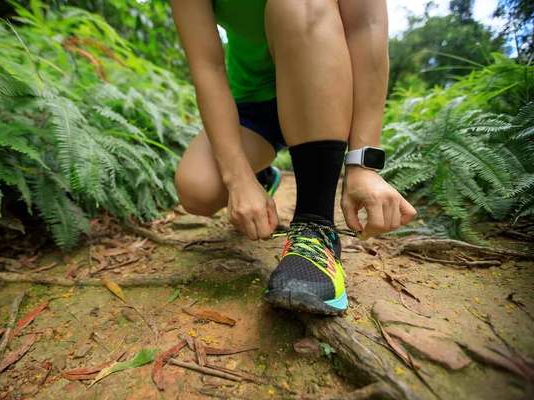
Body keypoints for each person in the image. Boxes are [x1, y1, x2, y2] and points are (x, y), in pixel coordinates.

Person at [171, 0, 417, 315]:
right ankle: (261, 177)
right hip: (253, 105)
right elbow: (207, 65)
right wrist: (239, 178)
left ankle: (316, 230)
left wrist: (363, 164)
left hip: (325, 79)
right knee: (197, 189)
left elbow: (365, 24)